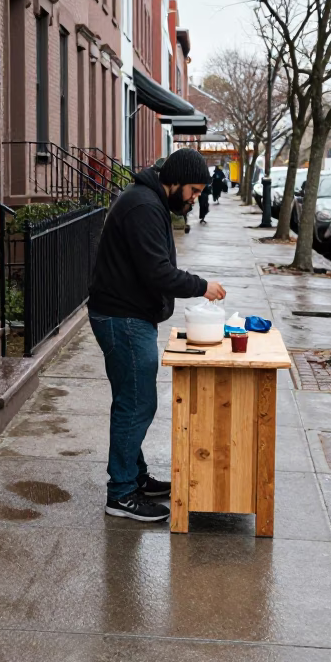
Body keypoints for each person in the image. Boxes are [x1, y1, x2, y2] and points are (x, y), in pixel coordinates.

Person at [88, 148, 226, 521]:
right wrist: (202, 287)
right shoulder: (143, 207)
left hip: (127, 316)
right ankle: (120, 494)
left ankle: (135, 477)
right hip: (123, 319)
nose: (195, 199)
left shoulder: (148, 201)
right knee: (137, 403)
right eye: (194, 191)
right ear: (176, 180)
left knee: (132, 400)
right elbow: (157, 272)